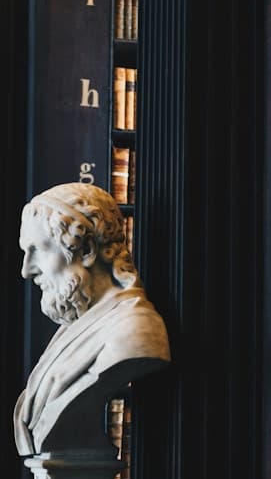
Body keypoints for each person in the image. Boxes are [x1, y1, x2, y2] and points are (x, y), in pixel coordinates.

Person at [13, 182, 171, 457]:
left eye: (38, 250)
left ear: (86, 249)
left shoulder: (134, 330)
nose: (26, 270)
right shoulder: (75, 327)